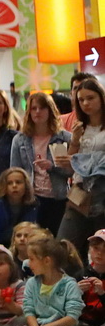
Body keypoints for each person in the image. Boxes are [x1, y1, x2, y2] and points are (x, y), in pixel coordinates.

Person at [3, 234, 86, 326]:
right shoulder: (32, 283)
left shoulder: (69, 285)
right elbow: (29, 310)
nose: (28, 263)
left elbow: (71, 318)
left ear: (47, 261)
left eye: (32, 259)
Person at [11, 91, 72, 236]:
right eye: (33, 108)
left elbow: (70, 171)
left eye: (42, 108)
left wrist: (52, 166)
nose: (38, 112)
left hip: (58, 198)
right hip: (31, 199)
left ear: (50, 110)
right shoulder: (20, 139)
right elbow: (14, 171)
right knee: (34, 241)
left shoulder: (64, 137)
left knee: (57, 241)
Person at [58, 76, 105, 254]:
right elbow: (70, 166)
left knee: (100, 249)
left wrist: (78, 161)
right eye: (81, 100)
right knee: (64, 248)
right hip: (79, 192)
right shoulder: (79, 128)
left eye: (90, 98)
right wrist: (75, 142)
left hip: (102, 192)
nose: (85, 103)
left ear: (101, 97)